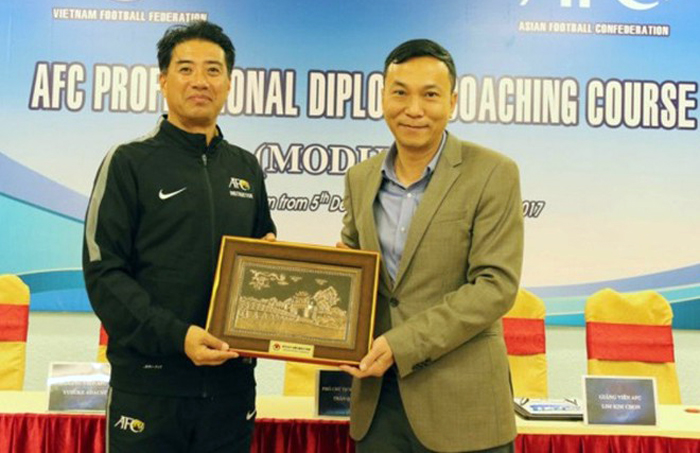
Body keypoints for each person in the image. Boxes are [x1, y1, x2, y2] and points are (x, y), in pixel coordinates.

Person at [82, 21, 276, 452]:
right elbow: (104, 274)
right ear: (163, 80)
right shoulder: (129, 162)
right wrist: (177, 336)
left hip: (230, 391)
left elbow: (263, 259)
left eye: (213, 70)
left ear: (229, 83)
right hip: (149, 389)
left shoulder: (246, 168)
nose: (200, 81)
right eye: (186, 69)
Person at [339, 39, 524, 453]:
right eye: (400, 93)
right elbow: (354, 268)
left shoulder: (493, 173)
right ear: (382, 97)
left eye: (430, 95)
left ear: (452, 102)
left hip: (464, 407)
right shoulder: (360, 177)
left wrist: (401, 345)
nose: (414, 109)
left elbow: (495, 286)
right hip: (378, 406)